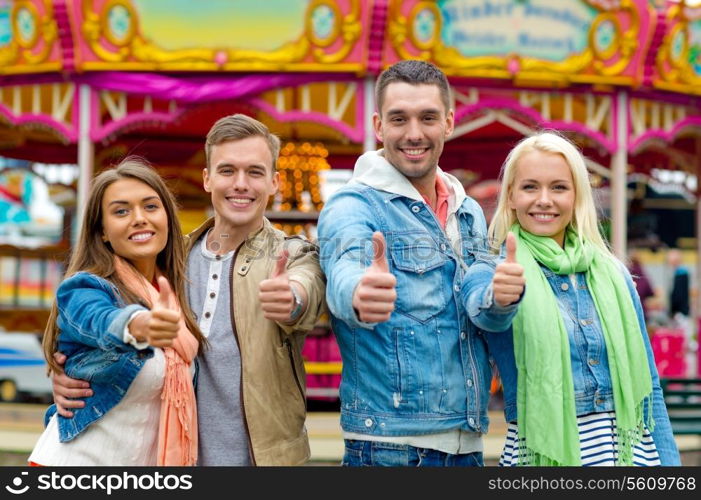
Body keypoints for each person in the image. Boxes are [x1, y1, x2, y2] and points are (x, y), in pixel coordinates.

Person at [51, 115, 326, 465]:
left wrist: (292, 298)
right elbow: (95, 319)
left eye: (255, 172)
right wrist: (72, 376)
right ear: (207, 179)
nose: (241, 184)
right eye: (227, 171)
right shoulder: (167, 260)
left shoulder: (295, 255)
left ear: (273, 182)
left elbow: (307, 287)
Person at [318, 60, 498, 467]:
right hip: (390, 448)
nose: (414, 134)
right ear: (379, 126)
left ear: (449, 122)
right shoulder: (353, 204)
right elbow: (346, 264)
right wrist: (360, 293)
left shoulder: (468, 210)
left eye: (428, 118)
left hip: (466, 443)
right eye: (399, 119)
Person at [462, 132, 680, 466]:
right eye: (530, 187)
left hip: (632, 456)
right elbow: (488, 311)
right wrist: (503, 297)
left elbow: (650, 388)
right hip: (542, 456)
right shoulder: (491, 272)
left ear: (576, 196)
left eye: (559, 187)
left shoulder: (615, 275)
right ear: (511, 198)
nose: (544, 200)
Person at [29, 159, 206, 466]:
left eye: (150, 206)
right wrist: (138, 325)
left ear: (167, 217)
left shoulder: (179, 295)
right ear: (103, 232)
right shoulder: (84, 289)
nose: (139, 218)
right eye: (121, 211)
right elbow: (97, 319)